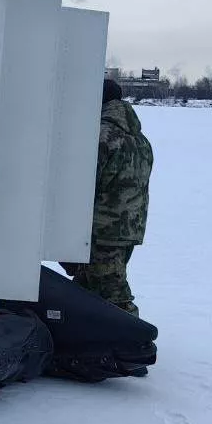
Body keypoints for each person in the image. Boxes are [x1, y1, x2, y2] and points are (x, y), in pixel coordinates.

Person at [63, 78, 154, 316]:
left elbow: (83, 186)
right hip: (128, 229)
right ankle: (87, 341)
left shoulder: (102, 136)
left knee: (115, 297)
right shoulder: (140, 139)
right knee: (87, 289)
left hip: (102, 231)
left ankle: (133, 345)